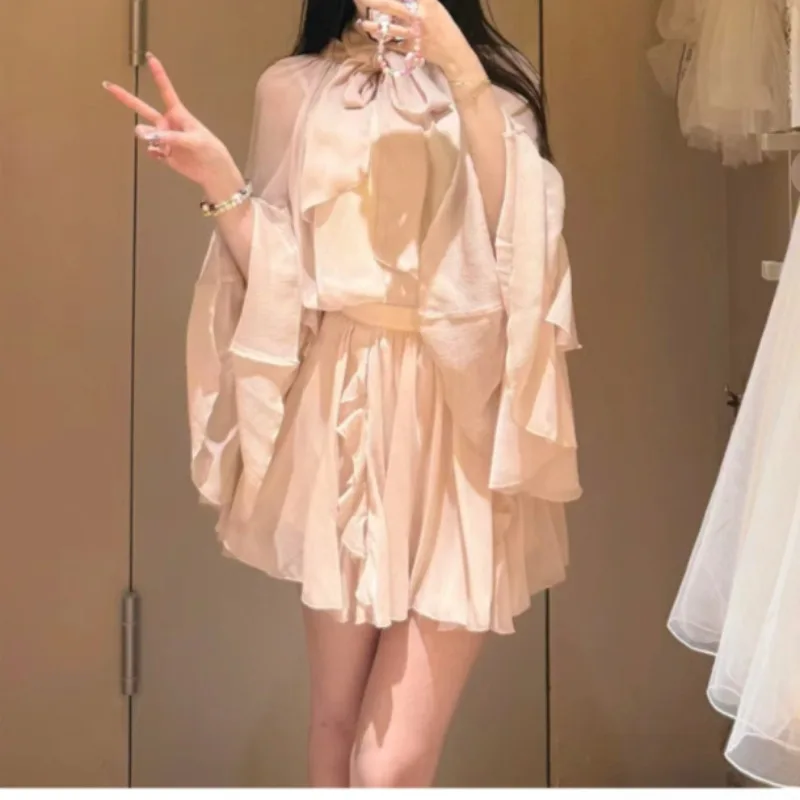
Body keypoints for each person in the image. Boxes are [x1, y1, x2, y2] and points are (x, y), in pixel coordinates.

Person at [105, 0, 581, 788]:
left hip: (458, 410)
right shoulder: (293, 86)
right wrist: (222, 181)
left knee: (387, 763)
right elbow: (283, 275)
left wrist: (460, 67)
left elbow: (521, 251)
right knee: (334, 724)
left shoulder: (498, 87)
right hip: (342, 405)